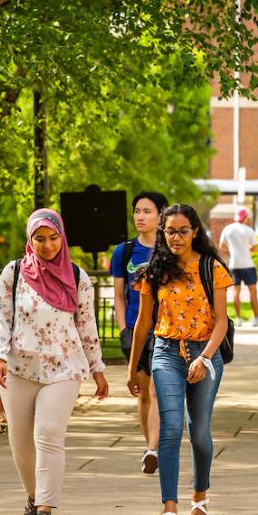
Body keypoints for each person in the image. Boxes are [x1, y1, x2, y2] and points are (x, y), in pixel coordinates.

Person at [0, 208, 109, 515]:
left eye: (53, 238)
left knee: (48, 433)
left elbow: (86, 324)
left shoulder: (77, 276)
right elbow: (1, 316)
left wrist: (97, 369)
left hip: (64, 367)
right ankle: (32, 495)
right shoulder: (13, 273)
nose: (47, 245)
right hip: (18, 367)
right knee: (20, 441)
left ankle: (45, 508)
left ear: (62, 237)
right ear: (30, 240)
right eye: (39, 239)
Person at [127, 204, 232, 515]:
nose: (176, 237)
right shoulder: (153, 271)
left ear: (195, 232)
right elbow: (143, 323)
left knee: (199, 431)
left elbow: (221, 321)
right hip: (166, 353)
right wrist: (132, 370)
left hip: (205, 352)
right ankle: (169, 507)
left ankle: (199, 495)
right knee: (170, 429)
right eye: (169, 231)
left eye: (182, 231)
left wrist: (204, 358)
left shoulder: (211, 268)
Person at [109, 191, 169, 474]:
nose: (140, 216)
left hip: (165, 330)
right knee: (143, 394)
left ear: (161, 215)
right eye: (137, 211)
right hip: (136, 330)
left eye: (147, 211)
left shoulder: (170, 248)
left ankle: (153, 448)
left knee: (158, 391)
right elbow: (119, 295)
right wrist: (124, 329)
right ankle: (150, 447)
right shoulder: (125, 251)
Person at [219, 207, 258, 327]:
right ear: (245, 217)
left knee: (236, 292)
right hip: (248, 265)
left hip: (234, 265)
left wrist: (231, 251)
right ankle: (256, 319)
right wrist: (247, 249)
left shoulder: (227, 229)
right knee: (253, 292)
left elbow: (221, 246)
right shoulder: (249, 230)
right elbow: (255, 248)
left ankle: (238, 319)